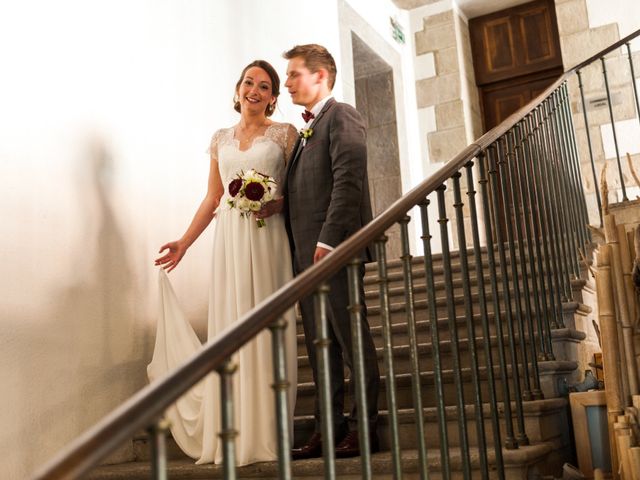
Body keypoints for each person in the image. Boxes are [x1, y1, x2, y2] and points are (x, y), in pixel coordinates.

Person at [148, 60, 298, 466]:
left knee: (267, 328)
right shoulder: (220, 139)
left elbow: (299, 191)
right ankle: (236, 423)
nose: (255, 90)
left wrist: (279, 202)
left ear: (272, 97)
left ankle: (267, 427)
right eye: (249, 82)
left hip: (268, 241)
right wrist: (184, 242)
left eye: (264, 86)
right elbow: (212, 199)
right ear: (237, 89)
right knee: (233, 325)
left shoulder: (285, 135)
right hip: (230, 241)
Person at [282, 44, 380, 459]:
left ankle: (363, 430)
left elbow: (348, 180)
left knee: (350, 339)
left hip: (334, 251)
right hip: (305, 258)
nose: (287, 83)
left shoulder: (342, 115)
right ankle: (326, 429)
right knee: (322, 346)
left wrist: (328, 240)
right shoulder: (306, 130)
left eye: (294, 74)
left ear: (321, 76)